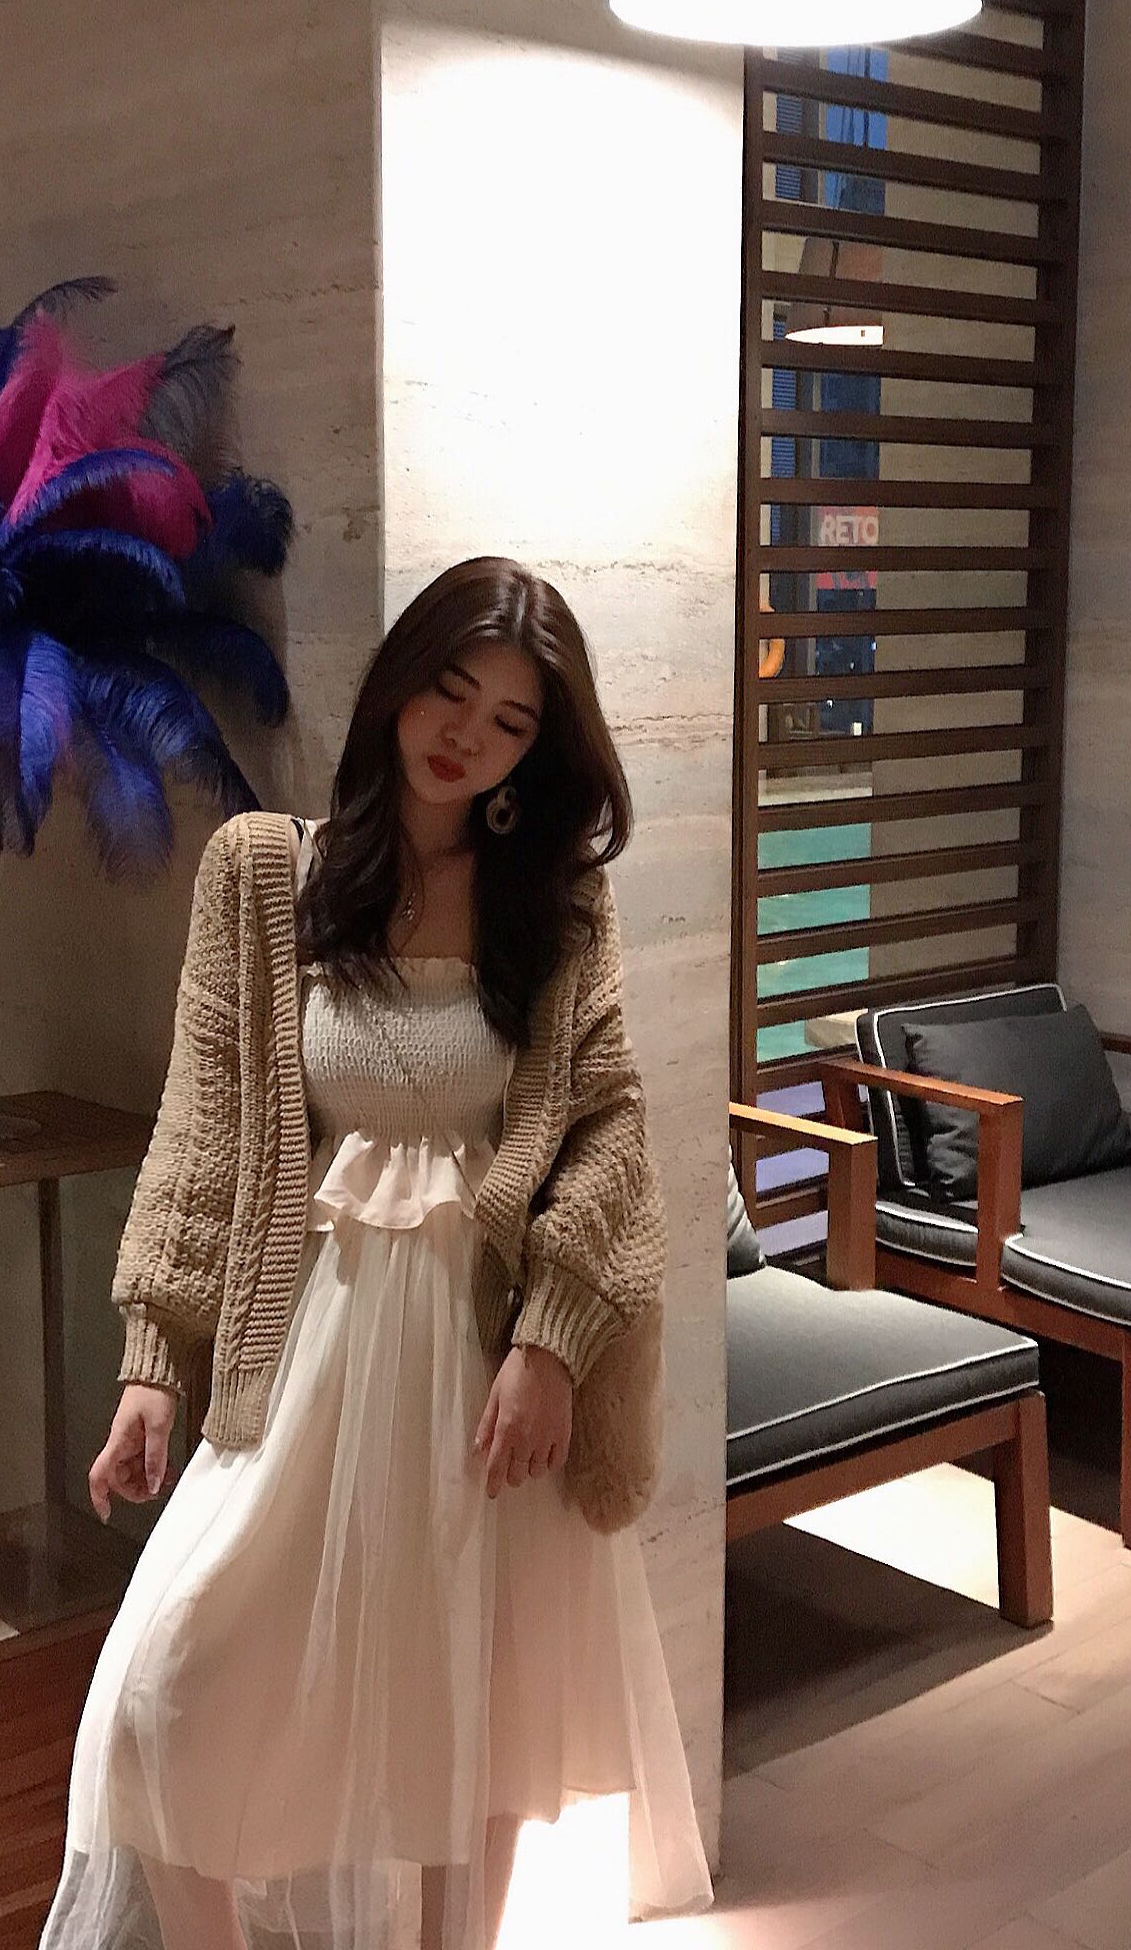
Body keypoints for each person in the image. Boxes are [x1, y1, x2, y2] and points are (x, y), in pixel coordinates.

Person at [39, 558, 715, 1950]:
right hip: (305, 1362)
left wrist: (552, 1345)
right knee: (164, 1693)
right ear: (399, 681)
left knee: (477, 1728)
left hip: (488, 1379)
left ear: (540, 751)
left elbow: (608, 1129)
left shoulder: (558, 909)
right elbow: (204, 1128)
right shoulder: (263, 875)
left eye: (512, 722)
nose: (467, 735)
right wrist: (154, 1361)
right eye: (450, 691)